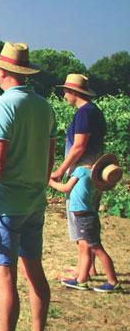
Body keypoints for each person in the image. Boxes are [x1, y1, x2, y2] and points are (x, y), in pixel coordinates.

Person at [0, 42, 57, 331]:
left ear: (3, 71)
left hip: (7, 203)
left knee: (5, 277)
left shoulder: (3, 105)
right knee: (34, 271)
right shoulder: (44, 106)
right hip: (35, 202)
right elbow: (49, 160)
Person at [50, 74, 106, 281]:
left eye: (65, 91)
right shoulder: (95, 112)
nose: (64, 95)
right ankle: (87, 268)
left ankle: (83, 273)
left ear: (73, 92)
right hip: (94, 174)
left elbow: (79, 146)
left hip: (81, 173)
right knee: (88, 217)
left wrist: (59, 170)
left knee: (79, 219)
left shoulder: (84, 113)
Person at [48, 154, 123, 293]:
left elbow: (66, 188)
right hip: (86, 216)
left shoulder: (81, 171)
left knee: (96, 249)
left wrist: (50, 182)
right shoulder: (97, 180)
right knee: (85, 247)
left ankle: (113, 282)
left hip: (85, 218)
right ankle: (81, 280)